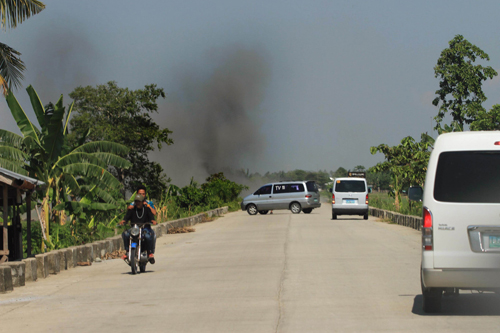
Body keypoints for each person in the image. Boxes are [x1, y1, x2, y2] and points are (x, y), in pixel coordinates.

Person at [120, 194, 157, 264]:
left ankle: (149, 253)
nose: (138, 203)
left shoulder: (146, 209)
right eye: (136, 201)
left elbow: (151, 217)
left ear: (143, 202)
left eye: (139, 201)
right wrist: (124, 221)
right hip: (134, 229)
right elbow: (126, 217)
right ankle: (127, 251)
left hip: (144, 229)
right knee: (125, 234)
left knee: (147, 236)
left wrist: (153, 221)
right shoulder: (132, 210)